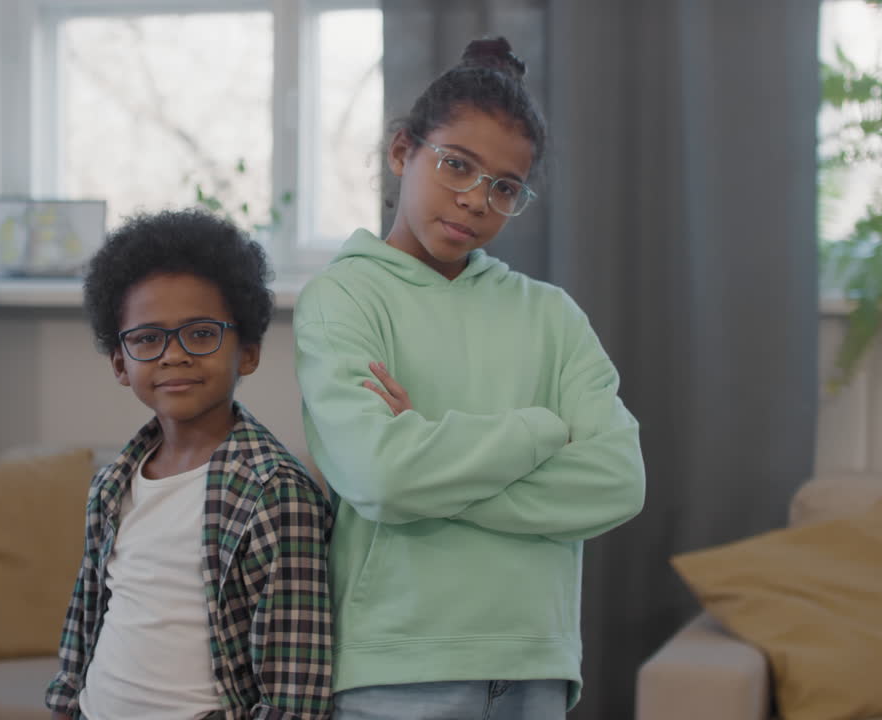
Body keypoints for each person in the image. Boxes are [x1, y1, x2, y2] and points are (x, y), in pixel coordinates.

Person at [293, 36, 647, 720]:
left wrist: (428, 456)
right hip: (395, 668)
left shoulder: (551, 316)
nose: (475, 200)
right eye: (456, 165)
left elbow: (618, 482)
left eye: (504, 186)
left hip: (536, 664)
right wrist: (538, 431)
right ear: (403, 152)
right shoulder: (342, 300)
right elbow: (381, 477)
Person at [46, 209, 334, 720]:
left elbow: (295, 693)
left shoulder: (275, 493)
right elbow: (84, 622)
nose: (173, 356)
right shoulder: (113, 484)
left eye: (200, 334)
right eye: (147, 338)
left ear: (246, 352)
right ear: (120, 363)